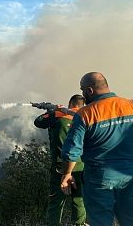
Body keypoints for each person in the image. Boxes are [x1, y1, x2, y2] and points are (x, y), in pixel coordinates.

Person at [61, 72, 133, 226]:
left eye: (82, 90)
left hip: (98, 179)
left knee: (101, 222)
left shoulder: (86, 114)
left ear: (89, 91)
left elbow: (71, 152)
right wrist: (129, 139)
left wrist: (67, 174)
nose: (82, 94)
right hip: (130, 176)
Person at [34, 94, 87, 226]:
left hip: (60, 167)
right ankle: (80, 224)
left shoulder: (58, 116)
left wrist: (52, 111)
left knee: (56, 201)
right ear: (83, 106)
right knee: (78, 200)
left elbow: (38, 122)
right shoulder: (86, 118)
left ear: (70, 104)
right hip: (81, 166)